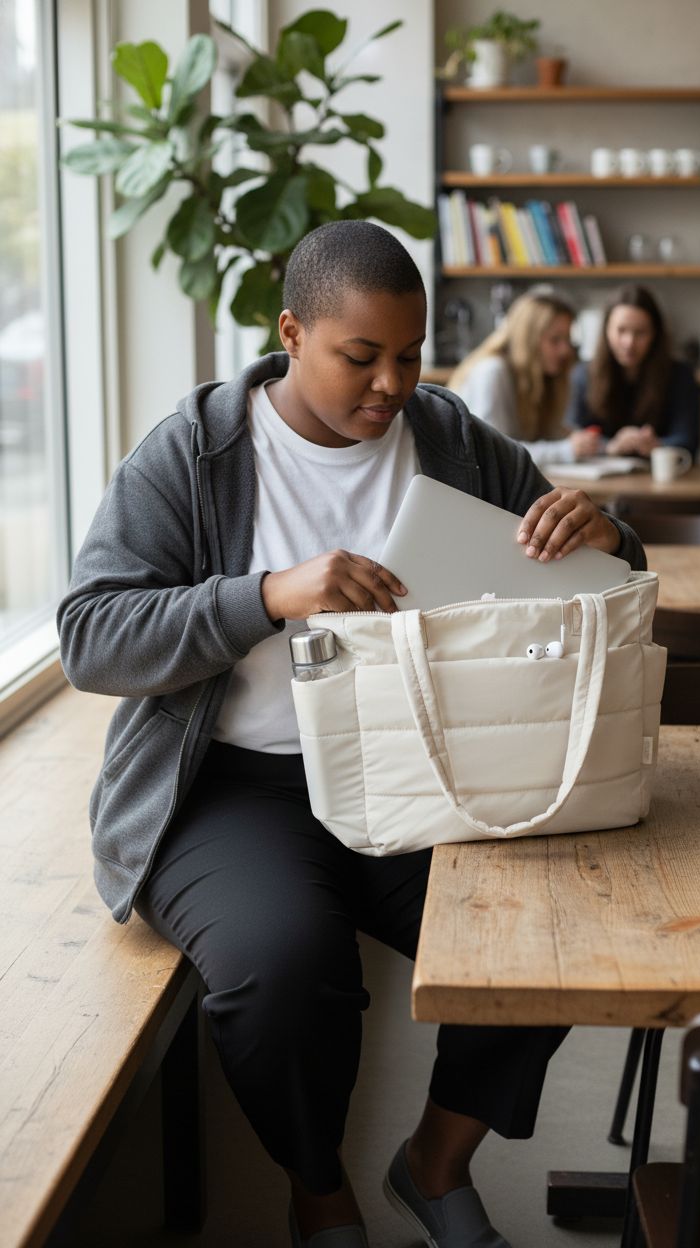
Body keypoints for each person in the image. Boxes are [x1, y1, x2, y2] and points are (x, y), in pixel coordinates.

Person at [57, 221, 645, 1248]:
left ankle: (433, 1166)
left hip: (422, 770)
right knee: (284, 965)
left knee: (549, 941)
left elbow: (603, 574)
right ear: (292, 333)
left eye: (409, 356)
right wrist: (267, 595)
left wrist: (606, 533)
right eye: (360, 357)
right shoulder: (196, 452)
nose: (391, 384)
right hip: (234, 788)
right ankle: (319, 1194)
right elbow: (89, 637)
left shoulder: (452, 437)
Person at [447, 285, 602, 467]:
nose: (565, 350)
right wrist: (566, 450)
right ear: (528, 339)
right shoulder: (492, 372)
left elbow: (551, 433)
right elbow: (495, 453)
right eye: (555, 340)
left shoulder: (537, 377)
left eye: (567, 339)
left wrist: (599, 444)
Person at [565, 284, 700, 459]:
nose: (629, 342)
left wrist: (655, 445)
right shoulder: (583, 374)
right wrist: (612, 446)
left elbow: (689, 441)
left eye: (640, 332)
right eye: (621, 330)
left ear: (655, 335)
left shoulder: (680, 375)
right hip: (600, 481)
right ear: (606, 331)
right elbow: (574, 437)